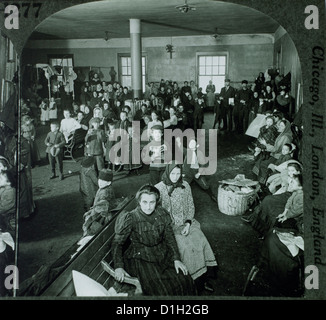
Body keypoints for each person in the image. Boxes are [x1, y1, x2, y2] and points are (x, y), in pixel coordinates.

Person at [112, 184, 196, 296]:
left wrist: (176, 258)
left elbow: (169, 237)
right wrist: (118, 266)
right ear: (139, 202)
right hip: (140, 258)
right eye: (144, 202)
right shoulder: (131, 218)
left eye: (152, 202)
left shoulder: (161, 213)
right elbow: (117, 243)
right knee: (161, 290)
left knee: (185, 280)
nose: (148, 207)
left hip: (161, 254)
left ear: (157, 202)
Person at [155, 163, 218, 293]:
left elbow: (191, 206)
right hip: (169, 228)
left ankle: (203, 278)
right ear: (167, 172)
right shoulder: (158, 189)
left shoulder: (185, 186)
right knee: (185, 247)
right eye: (172, 173)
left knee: (200, 240)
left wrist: (188, 223)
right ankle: (191, 281)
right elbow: (155, 213)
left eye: (178, 174)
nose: (175, 177)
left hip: (186, 223)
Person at [253, 119, 293, 183]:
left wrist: (265, 144)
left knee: (263, 164)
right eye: (279, 125)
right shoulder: (283, 134)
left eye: (282, 126)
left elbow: (276, 149)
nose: (279, 127)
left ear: (286, 128)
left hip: (279, 157)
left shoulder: (285, 137)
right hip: (277, 155)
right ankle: (261, 181)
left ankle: (263, 182)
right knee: (260, 160)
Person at [82, 169, 117, 236]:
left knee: (91, 229)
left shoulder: (105, 193)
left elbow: (100, 209)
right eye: (99, 180)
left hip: (102, 217)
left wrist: (91, 213)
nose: (100, 182)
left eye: (103, 181)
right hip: (99, 211)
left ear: (108, 183)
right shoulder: (103, 188)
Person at [181, 138, 217, 202]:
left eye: (194, 145)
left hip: (196, 172)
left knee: (205, 185)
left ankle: (212, 196)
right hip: (187, 172)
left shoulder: (199, 153)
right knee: (183, 185)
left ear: (196, 146)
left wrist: (199, 173)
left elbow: (203, 165)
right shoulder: (187, 151)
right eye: (190, 145)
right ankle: (182, 199)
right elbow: (181, 148)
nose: (192, 148)